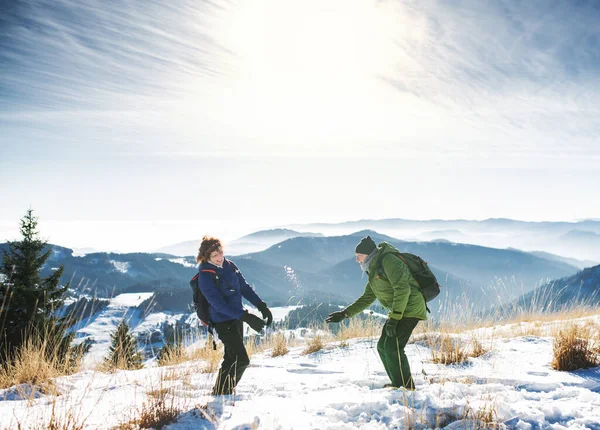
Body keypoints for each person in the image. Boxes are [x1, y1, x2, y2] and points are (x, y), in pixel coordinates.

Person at [325, 235, 427, 390]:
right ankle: (397, 383)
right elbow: (368, 297)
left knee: (393, 347)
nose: (357, 260)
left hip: (410, 308)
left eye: (358, 256)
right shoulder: (374, 268)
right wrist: (345, 313)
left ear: (368, 254)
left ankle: (406, 387)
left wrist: (394, 318)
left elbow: (403, 289)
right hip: (399, 310)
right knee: (382, 346)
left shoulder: (389, 261)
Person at [196, 236, 273, 395]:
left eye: (220, 252)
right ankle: (224, 391)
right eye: (214, 255)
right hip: (222, 321)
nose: (219, 258)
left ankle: (220, 392)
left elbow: (244, 287)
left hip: (237, 318)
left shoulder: (230, 265)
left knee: (231, 358)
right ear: (206, 256)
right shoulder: (205, 276)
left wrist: (261, 305)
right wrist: (247, 317)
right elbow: (218, 305)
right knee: (242, 359)